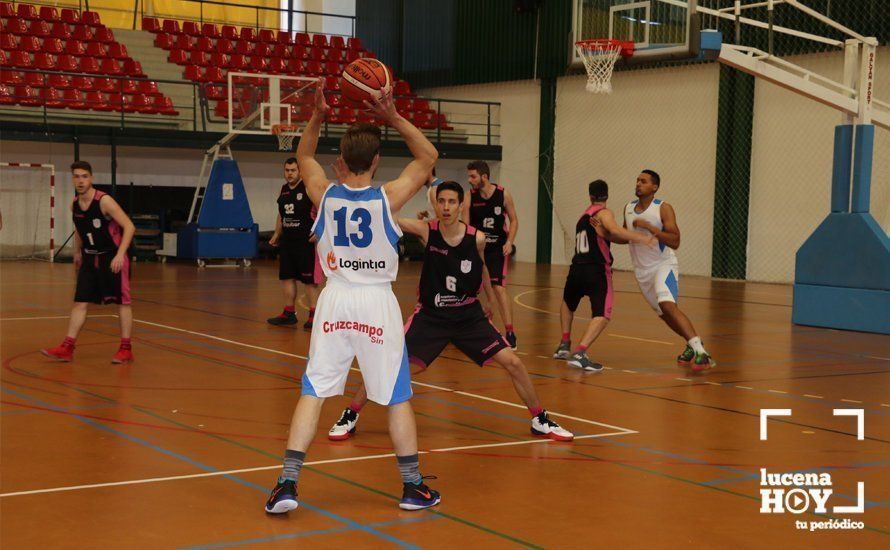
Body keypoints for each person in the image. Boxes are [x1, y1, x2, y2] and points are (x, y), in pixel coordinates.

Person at [264, 79, 441, 514]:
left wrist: (318, 117)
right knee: (396, 396)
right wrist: (392, 114)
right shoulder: (389, 198)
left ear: (341, 161)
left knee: (314, 390)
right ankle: (412, 487)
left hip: (335, 299)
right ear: (377, 161)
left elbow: (304, 155)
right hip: (376, 302)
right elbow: (428, 157)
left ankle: (286, 483)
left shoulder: (322, 193)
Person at [329, 181, 574, 442]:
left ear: (460, 205)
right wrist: (360, 193)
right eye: (441, 201)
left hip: (468, 316)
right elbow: (388, 216)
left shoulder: (477, 238)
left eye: (451, 202)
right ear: (435, 204)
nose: (446, 207)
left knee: (513, 362)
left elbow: (482, 267)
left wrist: (490, 299)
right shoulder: (426, 231)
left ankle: (539, 418)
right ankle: (351, 413)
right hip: (431, 317)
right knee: (391, 366)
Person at [597, 170, 716, 371]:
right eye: (637, 180)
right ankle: (692, 343)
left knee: (667, 305)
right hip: (642, 272)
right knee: (665, 314)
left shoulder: (663, 208)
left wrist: (652, 229)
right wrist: (605, 234)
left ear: (654, 187)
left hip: (663, 265)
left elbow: (675, 241)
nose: (638, 184)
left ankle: (702, 354)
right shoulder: (629, 207)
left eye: (643, 181)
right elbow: (626, 237)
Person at [552, 180, 655, 371]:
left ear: (590, 195)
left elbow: (609, 235)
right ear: (607, 195)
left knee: (568, 302)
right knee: (603, 315)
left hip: (576, 268)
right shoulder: (604, 213)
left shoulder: (583, 216)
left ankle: (564, 344)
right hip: (597, 270)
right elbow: (614, 230)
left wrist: (612, 235)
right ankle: (580, 352)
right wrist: (642, 237)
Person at [41, 161, 136, 364]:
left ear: (91, 178)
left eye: (84, 176)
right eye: (76, 176)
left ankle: (126, 348)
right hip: (90, 257)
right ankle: (67, 347)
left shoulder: (104, 201)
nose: (80, 180)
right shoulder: (74, 204)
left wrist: (120, 255)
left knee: (122, 303)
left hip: (112, 257)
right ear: (73, 179)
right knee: (79, 302)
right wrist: (77, 251)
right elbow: (79, 228)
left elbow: (129, 226)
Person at [462, 160, 519, 349]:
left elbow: (514, 220)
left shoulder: (503, 194)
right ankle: (462, 329)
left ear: (484, 176)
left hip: (497, 249)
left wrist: (509, 242)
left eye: (473, 176)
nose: (469, 180)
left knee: (498, 288)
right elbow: (466, 226)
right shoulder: (469, 197)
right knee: (467, 288)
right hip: (477, 249)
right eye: (469, 176)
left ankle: (510, 333)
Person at [267, 157, 322, 329]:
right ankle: (289, 313)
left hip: (306, 243)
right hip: (288, 242)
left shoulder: (308, 188)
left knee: (309, 281)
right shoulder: (283, 190)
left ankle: (314, 316)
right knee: (287, 277)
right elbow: (281, 214)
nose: (289, 173)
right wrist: (277, 233)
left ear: (300, 171)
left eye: (293, 170)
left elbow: (324, 208)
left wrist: (320, 229)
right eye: (287, 170)